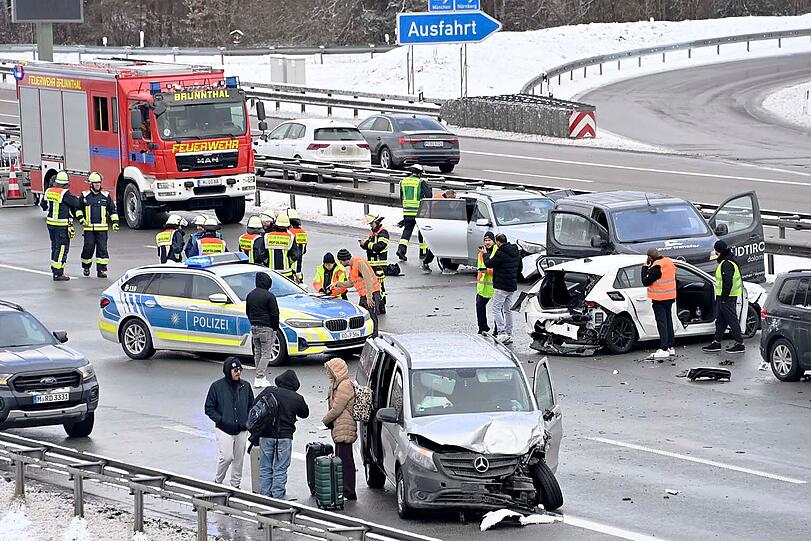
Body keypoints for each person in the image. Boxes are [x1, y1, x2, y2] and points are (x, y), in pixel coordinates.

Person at [255, 369, 309, 499]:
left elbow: (254, 405)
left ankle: (265, 497)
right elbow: (305, 413)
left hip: (266, 435)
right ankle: (278, 498)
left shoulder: (268, 391)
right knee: (280, 469)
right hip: (284, 437)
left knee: (265, 468)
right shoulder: (296, 398)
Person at [205, 357, 255, 488]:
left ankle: (235, 485)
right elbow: (209, 408)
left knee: (239, 459)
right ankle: (218, 481)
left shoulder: (246, 386)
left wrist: (248, 421)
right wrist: (221, 420)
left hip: (242, 429)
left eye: (240, 369)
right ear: (228, 371)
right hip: (224, 428)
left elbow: (252, 405)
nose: (238, 372)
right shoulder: (216, 387)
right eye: (235, 370)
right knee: (226, 457)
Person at [322, 357, 357, 501]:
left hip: (345, 427)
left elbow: (337, 408)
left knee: (345, 461)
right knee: (342, 460)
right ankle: (345, 489)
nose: (328, 373)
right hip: (340, 427)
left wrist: (325, 420)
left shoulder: (344, 386)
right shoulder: (337, 384)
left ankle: (349, 491)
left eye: (329, 370)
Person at [703, 240, 745, 354]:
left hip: (728, 297)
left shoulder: (726, 264)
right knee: (721, 320)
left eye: (716, 251)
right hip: (725, 297)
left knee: (732, 319)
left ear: (718, 251)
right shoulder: (728, 261)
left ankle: (739, 343)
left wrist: (724, 298)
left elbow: (727, 283)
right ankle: (716, 342)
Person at [41, 170, 83, 281]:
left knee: (54, 247)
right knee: (62, 248)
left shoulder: (48, 191)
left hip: (50, 224)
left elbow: (43, 205)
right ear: (65, 184)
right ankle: (58, 272)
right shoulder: (65, 193)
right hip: (61, 225)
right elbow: (76, 203)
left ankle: (55, 269)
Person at [77, 172, 119, 278]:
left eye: (99, 183)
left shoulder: (105, 196)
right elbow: (78, 209)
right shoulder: (85, 196)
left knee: (102, 250)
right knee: (88, 248)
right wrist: (81, 219)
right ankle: (86, 267)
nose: (97, 185)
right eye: (95, 183)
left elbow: (112, 210)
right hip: (89, 229)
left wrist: (115, 222)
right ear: (90, 184)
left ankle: (101, 270)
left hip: (102, 230)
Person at [483, 234, 520, 344]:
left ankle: (502, 333)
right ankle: (509, 334)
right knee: (508, 310)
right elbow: (520, 267)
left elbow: (488, 263)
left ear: (498, 242)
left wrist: (485, 254)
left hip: (501, 286)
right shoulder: (515, 252)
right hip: (511, 285)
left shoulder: (500, 254)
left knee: (496, 309)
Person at [334, 249, 382, 333]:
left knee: (371, 318)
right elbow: (351, 283)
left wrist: (369, 297)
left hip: (371, 293)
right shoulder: (352, 267)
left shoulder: (359, 263)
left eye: (340, 261)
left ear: (344, 260)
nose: (340, 264)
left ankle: (374, 337)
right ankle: (367, 336)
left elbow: (368, 280)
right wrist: (337, 284)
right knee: (362, 317)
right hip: (364, 295)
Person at [641, 248, 676, 359]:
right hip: (670, 297)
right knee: (668, 321)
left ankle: (664, 347)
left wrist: (644, 268)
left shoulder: (656, 267)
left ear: (650, 257)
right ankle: (670, 347)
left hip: (659, 299)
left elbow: (645, 282)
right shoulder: (669, 262)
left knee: (662, 323)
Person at [246, 272, 280, 389]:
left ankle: (260, 376)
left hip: (254, 327)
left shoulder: (250, 295)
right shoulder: (269, 296)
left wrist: (253, 322)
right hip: (266, 328)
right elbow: (275, 314)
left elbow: (247, 311)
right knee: (266, 353)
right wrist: (274, 328)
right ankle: (259, 377)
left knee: (258, 352)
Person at [396, 164, 431, 262]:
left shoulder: (403, 181)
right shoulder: (420, 182)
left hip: (407, 211)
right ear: (419, 173)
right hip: (420, 212)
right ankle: (423, 253)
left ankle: (401, 250)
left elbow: (401, 197)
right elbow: (429, 195)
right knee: (422, 232)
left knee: (407, 231)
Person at [421, 189, 456, 274]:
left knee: (436, 246)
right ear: (449, 196)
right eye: (453, 198)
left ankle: (426, 263)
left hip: (436, 227)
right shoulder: (442, 204)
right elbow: (448, 215)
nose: (453, 200)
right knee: (443, 247)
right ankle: (446, 268)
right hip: (440, 228)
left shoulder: (439, 200)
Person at [360, 214, 389, 313]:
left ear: (376, 223)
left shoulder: (383, 233)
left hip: (379, 264)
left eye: (371, 224)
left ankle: (381, 306)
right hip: (372, 264)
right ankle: (377, 305)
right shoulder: (372, 233)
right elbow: (371, 246)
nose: (370, 226)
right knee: (374, 285)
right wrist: (364, 245)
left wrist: (367, 244)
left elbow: (380, 246)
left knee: (380, 286)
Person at [265, 213, 299, 280]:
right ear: (287, 226)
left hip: (271, 272)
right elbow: (295, 255)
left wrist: (268, 262)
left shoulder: (267, 236)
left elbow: (262, 254)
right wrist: (288, 262)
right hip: (286, 273)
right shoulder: (291, 237)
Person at [476, 231, 497, 335]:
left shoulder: (496, 251)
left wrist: (486, 270)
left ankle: (498, 330)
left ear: (493, 241)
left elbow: (495, 269)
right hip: (482, 286)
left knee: (497, 309)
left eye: (489, 240)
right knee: (479, 305)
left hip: (495, 285)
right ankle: (482, 328)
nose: (487, 242)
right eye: (485, 240)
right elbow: (480, 268)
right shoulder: (481, 253)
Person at [287, 208, 308, 283]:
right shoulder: (303, 232)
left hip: (290, 270)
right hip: (299, 270)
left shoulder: (289, 232)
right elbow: (304, 250)